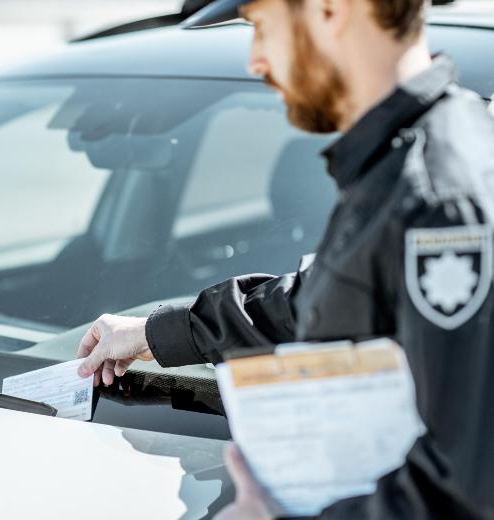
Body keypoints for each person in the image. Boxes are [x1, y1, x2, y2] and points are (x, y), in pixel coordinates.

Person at [76, 0, 494, 518]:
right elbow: (321, 297)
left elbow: (468, 488)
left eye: (262, 28)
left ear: (330, 11)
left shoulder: (438, 198)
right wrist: (159, 333)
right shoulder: (413, 155)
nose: (255, 60)